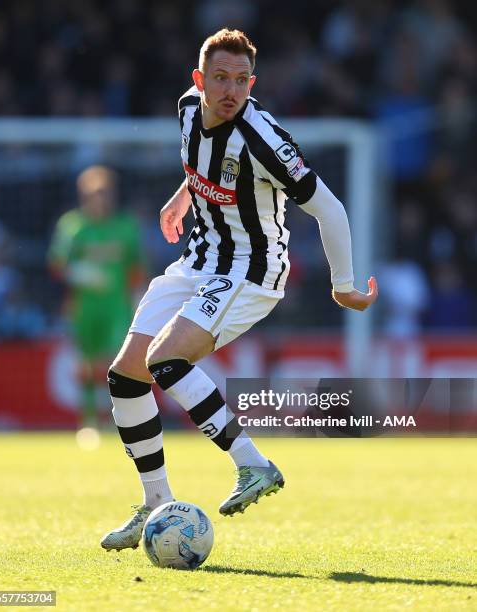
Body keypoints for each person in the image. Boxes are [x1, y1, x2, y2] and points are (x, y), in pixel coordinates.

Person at [101, 29, 377, 551]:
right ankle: (155, 503)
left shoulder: (263, 138)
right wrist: (182, 197)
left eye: (242, 80)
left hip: (250, 268)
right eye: (221, 79)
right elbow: (202, 163)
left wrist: (342, 284)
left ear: (254, 82)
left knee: (167, 361)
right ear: (199, 81)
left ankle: (253, 464)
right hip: (198, 260)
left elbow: (331, 208)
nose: (231, 90)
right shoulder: (187, 110)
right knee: (125, 377)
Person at [48, 166, 145, 430]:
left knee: (114, 363)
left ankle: (120, 420)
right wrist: (82, 274)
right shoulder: (73, 226)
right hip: (83, 306)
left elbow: (137, 267)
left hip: (117, 306)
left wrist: (138, 299)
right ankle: (88, 420)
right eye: (94, 193)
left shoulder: (126, 226)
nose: (100, 199)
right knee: (86, 364)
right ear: (84, 195)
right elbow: (57, 263)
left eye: (105, 193)